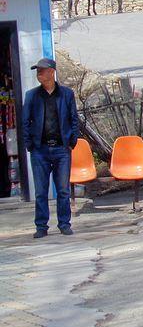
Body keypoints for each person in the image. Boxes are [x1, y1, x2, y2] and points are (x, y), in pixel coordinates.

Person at [22, 58, 80, 239]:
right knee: (41, 191)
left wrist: (72, 142)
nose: (39, 74)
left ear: (52, 72)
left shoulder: (66, 94)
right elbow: (25, 122)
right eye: (37, 71)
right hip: (40, 150)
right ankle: (41, 226)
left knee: (62, 190)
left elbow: (74, 119)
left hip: (62, 149)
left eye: (42, 70)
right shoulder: (31, 96)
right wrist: (29, 144)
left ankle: (64, 224)